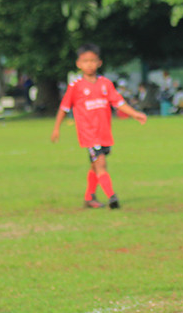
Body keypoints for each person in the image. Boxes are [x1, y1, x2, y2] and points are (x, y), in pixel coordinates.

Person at [50, 43, 147, 209]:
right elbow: (64, 108)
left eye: (92, 60)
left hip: (104, 133)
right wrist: (56, 128)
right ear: (78, 64)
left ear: (99, 62)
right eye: (85, 61)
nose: (89, 64)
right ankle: (112, 197)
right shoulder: (75, 86)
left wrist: (135, 114)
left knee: (95, 165)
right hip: (89, 134)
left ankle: (89, 197)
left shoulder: (105, 84)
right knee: (101, 164)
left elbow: (119, 103)